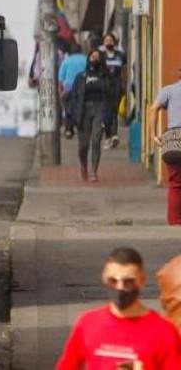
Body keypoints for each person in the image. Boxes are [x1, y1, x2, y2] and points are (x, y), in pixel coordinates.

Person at [57, 247, 181, 370]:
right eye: (113, 281)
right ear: (104, 278)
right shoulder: (88, 323)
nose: (120, 287)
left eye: (128, 282)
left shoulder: (164, 333)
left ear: (142, 281)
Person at [67, 50, 116, 182]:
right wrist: (70, 117)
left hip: (100, 108)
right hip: (84, 110)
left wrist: (106, 78)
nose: (94, 59)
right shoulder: (81, 76)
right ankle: (83, 165)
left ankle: (94, 171)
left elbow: (112, 93)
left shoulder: (105, 76)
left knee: (96, 140)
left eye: (97, 57)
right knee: (83, 145)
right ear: (88, 59)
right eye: (92, 56)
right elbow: (74, 96)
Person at [148, 67, 181, 225]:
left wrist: (153, 134)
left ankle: (174, 221)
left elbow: (154, 109)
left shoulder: (168, 90)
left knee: (175, 183)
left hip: (173, 139)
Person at [102, 32, 128, 148]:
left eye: (111, 41)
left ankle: (114, 135)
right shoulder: (101, 56)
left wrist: (124, 84)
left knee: (114, 111)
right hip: (104, 86)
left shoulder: (120, 55)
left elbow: (124, 71)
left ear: (114, 42)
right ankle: (108, 136)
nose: (109, 43)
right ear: (104, 43)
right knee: (106, 113)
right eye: (107, 41)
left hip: (116, 85)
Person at [58, 41, 88, 139]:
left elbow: (61, 78)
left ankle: (68, 130)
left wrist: (61, 90)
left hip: (68, 87)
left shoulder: (66, 61)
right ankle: (82, 128)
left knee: (68, 109)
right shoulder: (85, 59)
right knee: (82, 108)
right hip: (83, 87)